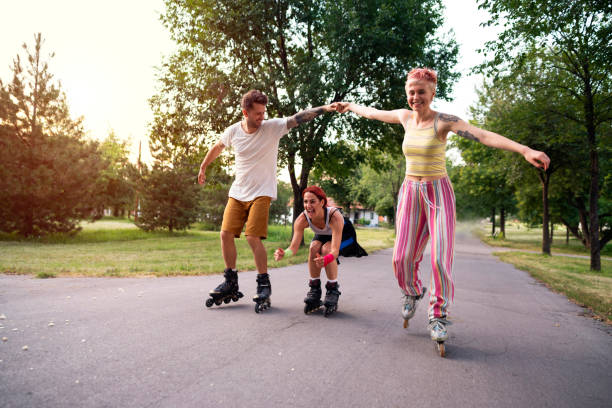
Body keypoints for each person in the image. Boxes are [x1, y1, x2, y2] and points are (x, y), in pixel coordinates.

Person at [333, 68, 550, 354]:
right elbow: (372, 112)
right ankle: (412, 291)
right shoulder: (405, 117)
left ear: (432, 92)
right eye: (411, 91)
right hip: (410, 192)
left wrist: (524, 150)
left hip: (439, 193)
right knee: (401, 256)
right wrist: (349, 106)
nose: (415, 97)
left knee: (439, 257)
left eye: (421, 91)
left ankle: (438, 315)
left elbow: (482, 135)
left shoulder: (444, 121)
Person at [199, 90, 335, 313]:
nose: (262, 117)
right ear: (245, 112)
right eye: (257, 114)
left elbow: (298, 118)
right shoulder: (233, 131)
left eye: (264, 113)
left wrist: (324, 108)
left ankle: (264, 283)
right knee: (225, 234)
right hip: (238, 192)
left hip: (262, 192)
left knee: (252, 236)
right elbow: (218, 147)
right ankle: (230, 280)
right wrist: (204, 166)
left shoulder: (271, 127)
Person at [274, 186, 367, 316]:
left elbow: (334, 251)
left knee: (326, 249)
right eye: (305, 202)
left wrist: (326, 259)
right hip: (324, 234)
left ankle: (332, 289)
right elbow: (293, 248)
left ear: (322, 202)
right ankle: (314, 289)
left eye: (312, 201)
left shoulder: (334, 216)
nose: (308, 205)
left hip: (345, 235)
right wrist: (285, 253)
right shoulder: (302, 219)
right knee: (313, 247)